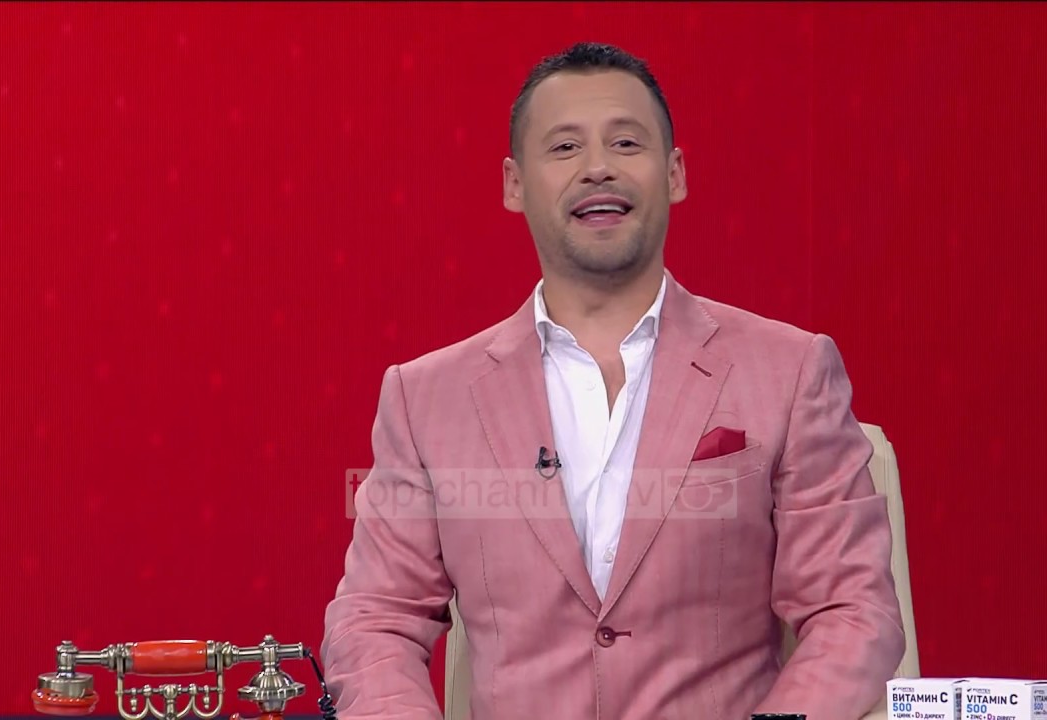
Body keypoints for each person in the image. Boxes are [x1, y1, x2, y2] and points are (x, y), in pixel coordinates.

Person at [322, 42, 905, 720]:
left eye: (626, 143)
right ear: (515, 184)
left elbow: (851, 611)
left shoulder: (790, 371)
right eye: (565, 148)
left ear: (675, 173)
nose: (598, 167)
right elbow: (375, 619)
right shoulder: (427, 399)